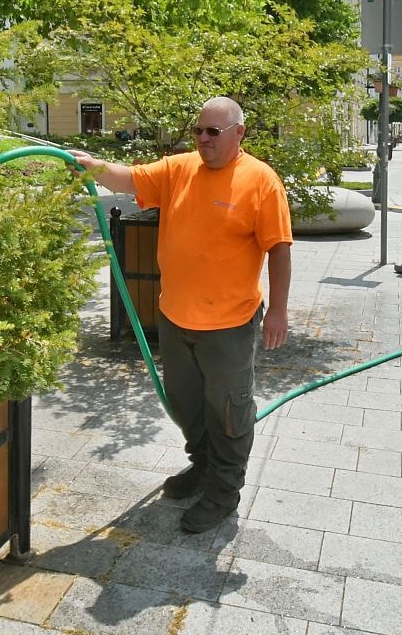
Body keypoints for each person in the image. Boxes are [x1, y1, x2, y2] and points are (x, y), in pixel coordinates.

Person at [72, 97, 292, 533]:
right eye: (199, 131)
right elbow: (129, 178)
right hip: (175, 317)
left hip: (230, 324)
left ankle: (223, 493)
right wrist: (91, 165)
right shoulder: (178, 169)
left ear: (239, 133)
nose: (204, 139)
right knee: (186, 405)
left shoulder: (261, 181)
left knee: (229, 410)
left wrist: (279, 313)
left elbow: (279, 249)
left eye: (214, 132)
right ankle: (203, 465)